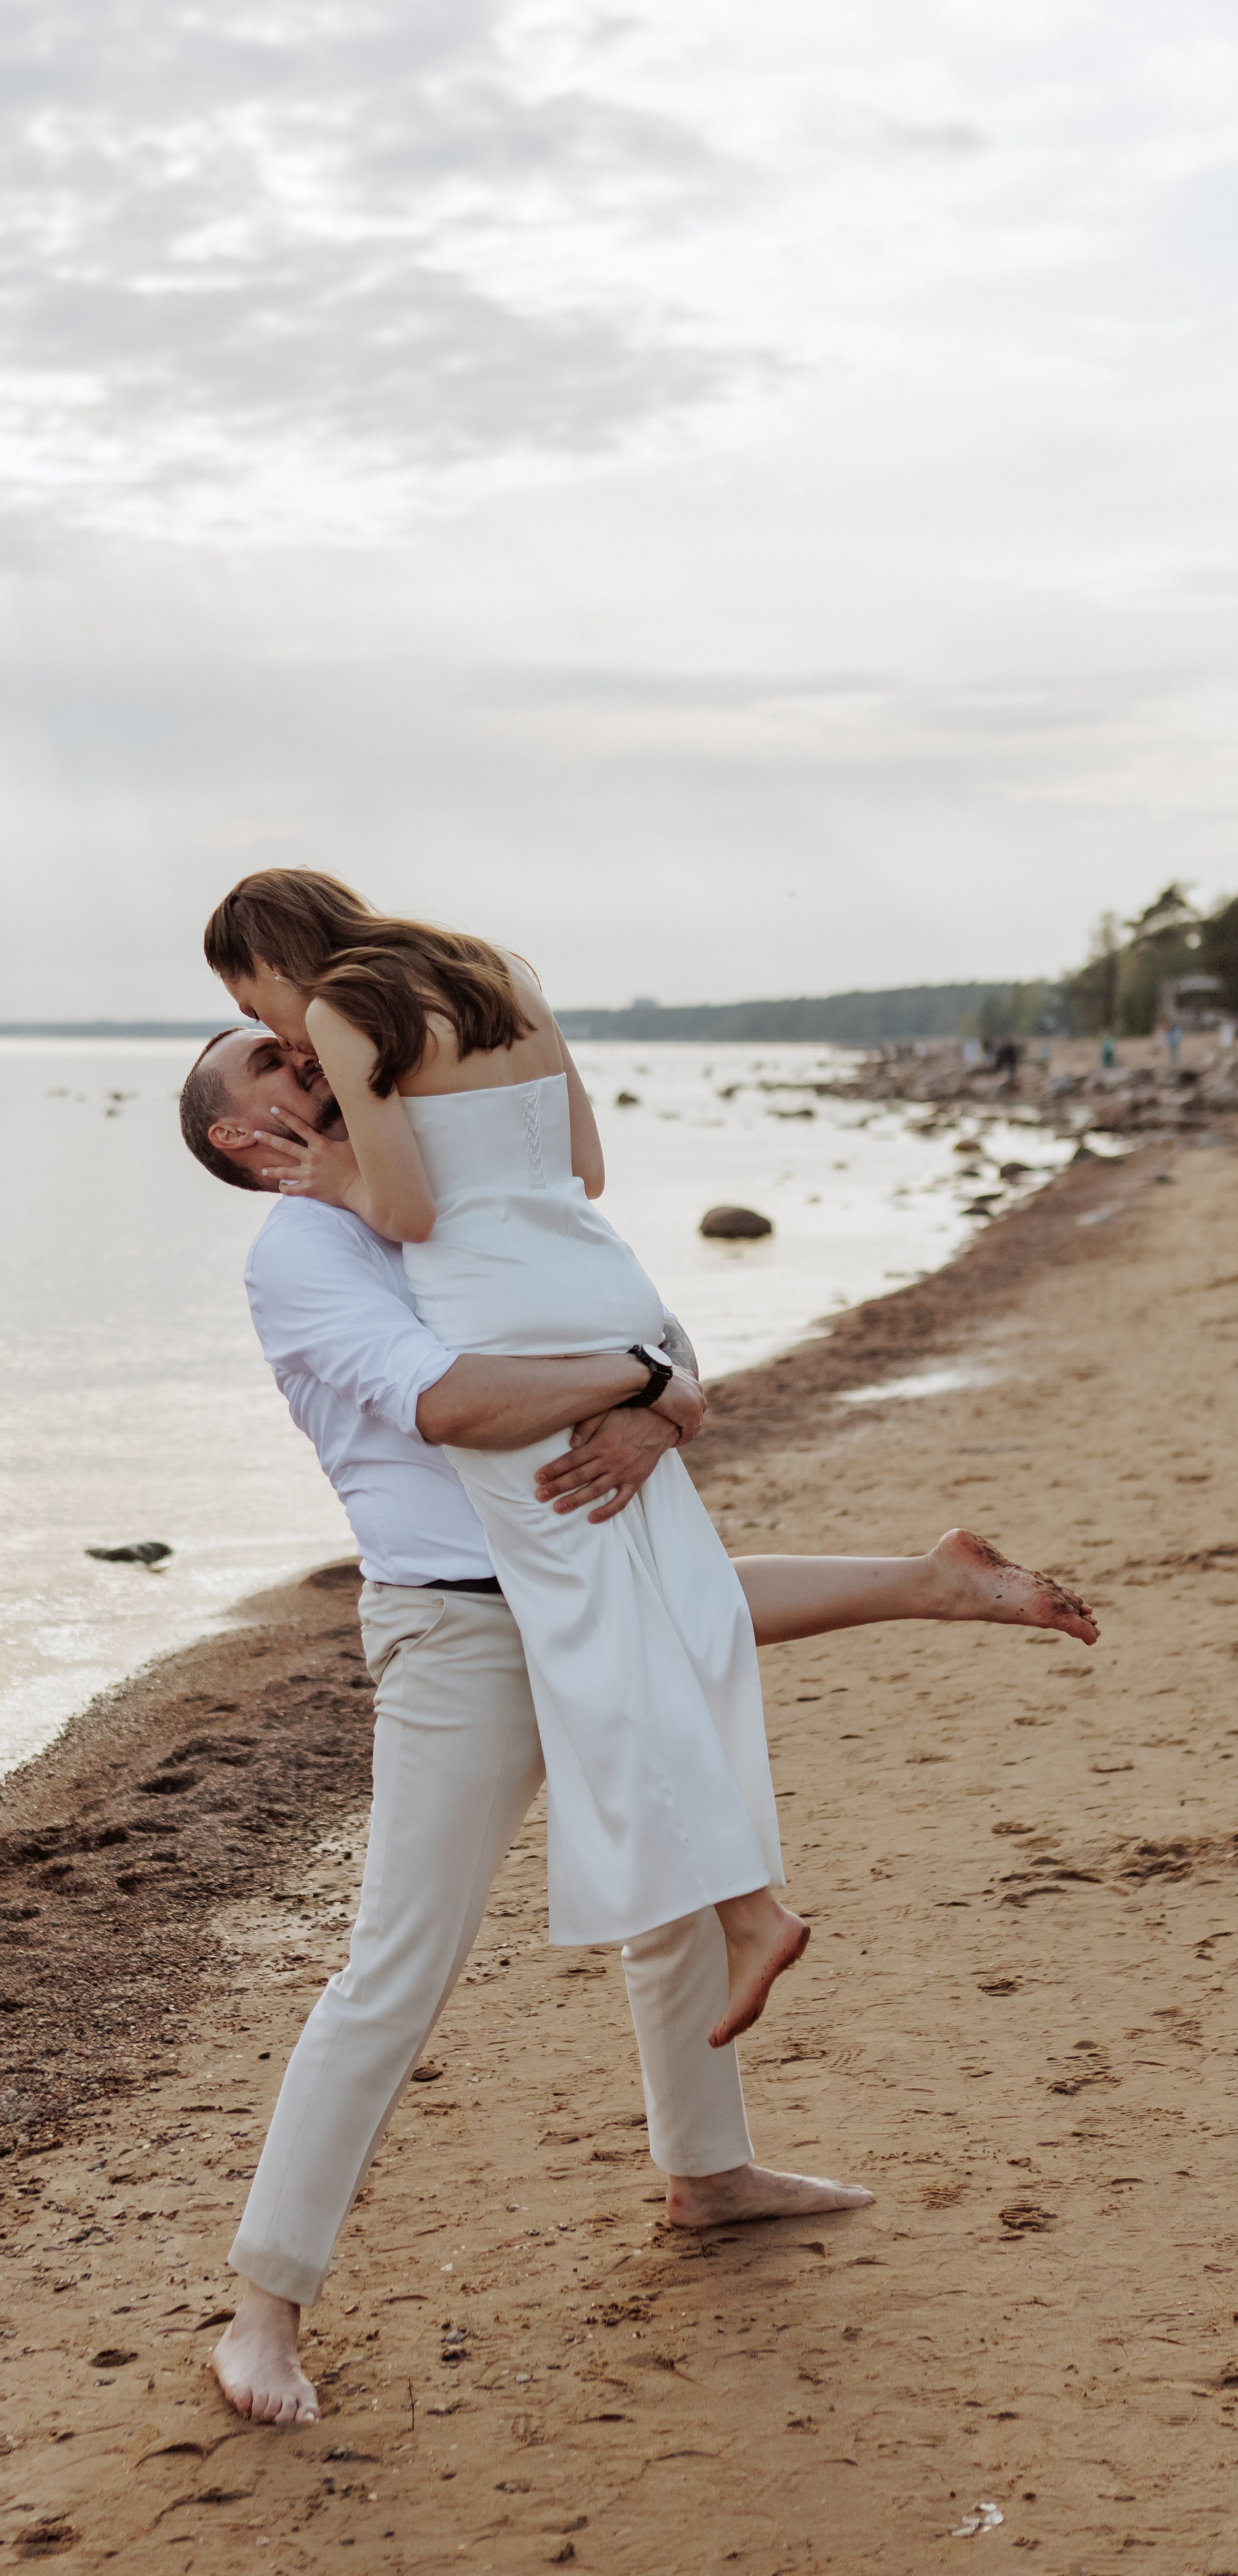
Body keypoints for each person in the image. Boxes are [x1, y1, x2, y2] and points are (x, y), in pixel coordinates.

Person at [178, 1020, 1099, 2425]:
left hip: (585, 1568)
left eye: (309, 1050)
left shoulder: (430, 1203)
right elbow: (458, 1401)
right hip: (460, 1628)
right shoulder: (303, 1253)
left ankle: (709, 2172)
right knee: (397, 1964)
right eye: (276, 1073)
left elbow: (641, 1328)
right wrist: (635, 1386)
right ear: (243, 1142)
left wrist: (656, 1397)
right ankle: (262, 2309)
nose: (312, 1070)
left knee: (676, 1890)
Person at [203, 871, 810, 2054]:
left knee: (595, 1640)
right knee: (676, 1605)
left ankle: (745, 1909)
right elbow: (585, 1164)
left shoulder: (342, 1009)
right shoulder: (499, 969)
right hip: (605, 1279)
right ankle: (729, 1917)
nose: (279, 1029)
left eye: (251, 998)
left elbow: (414, 1214)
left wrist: (341, 1180)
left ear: (271, 957)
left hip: (505, 1315)